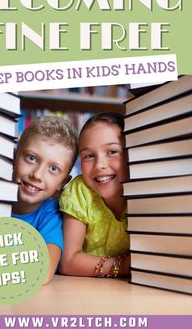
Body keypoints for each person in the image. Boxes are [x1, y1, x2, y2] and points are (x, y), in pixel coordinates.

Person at [59, 112, 130, 278]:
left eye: (112, 152)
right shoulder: (80, 192)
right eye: (89, 156)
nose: (99, 165)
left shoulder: (148, 192)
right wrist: (124, 266)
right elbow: (68, 262)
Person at [12, 116, 78, 284]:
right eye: (31, 158)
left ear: (62, 183)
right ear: (13, 157)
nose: (37, 175)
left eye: (53, 169)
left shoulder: (50, 212)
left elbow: (43, 271)